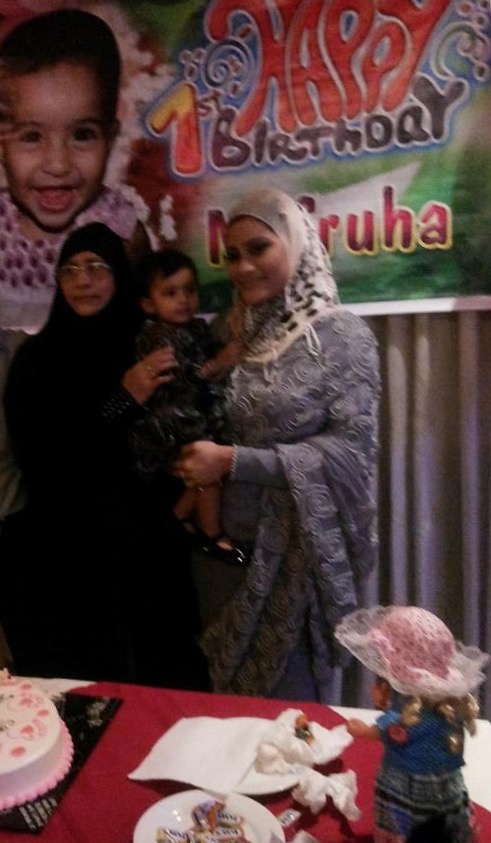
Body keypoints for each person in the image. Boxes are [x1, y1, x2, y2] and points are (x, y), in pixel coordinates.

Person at [172, 186, 381, 701]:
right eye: (232, 255)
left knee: (290, 722)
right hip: (224, 560)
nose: (243, 268)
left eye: (259, 248)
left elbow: (351, 455)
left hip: (294, 563)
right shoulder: (236, 335)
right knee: (228, 716)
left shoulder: (342, 336)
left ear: (295, 242)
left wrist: (232, 462)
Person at [0, 222, 210, 690]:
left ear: (120, 276)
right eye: (70, 269)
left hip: (148, 553)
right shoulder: (37, 359)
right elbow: (45, 460)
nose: (83, 280)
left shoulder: (150, 346)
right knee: (84, 696)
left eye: (97, 267)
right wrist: (123, 399)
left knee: (162, 690)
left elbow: (182, 430)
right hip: (65, 558)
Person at [0, 8, 150, 334]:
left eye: (82, 135)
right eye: (31, 137)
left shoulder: (121, 233)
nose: (58, 165)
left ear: (110, 139)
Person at [335, 605, 490, 843]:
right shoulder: (450, 705)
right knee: (443, 820)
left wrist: (361, 730)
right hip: (445, 783)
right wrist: (385, 706)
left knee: (407, 822)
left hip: (410, 784)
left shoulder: (414, 715)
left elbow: (393, 731)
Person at [132, 247, 246, 565]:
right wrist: (219, 363)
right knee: (208, 468)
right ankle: (211, 534)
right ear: (148, 304)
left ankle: (181, 516)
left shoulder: (192, 328)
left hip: (190, 416)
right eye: (171, 293)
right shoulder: (158, 336)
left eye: (190, 290)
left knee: (208, 467)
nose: (183, 299)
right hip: (172, 422)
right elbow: (184, 376)